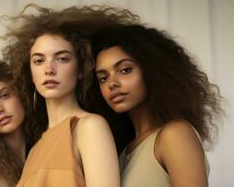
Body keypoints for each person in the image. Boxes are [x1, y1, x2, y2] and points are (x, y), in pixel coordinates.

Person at [2, 4, 136, 187]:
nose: (49, 69)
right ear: (31, 73)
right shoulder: (34, 149)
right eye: (39, 61)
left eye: (62, 58)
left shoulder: (89, 127)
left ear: (81, 69)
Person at [92, 24, 223, 187]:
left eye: (125, 70)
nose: (112, 83)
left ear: (151, 70)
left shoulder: (174, 134)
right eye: (103, 78)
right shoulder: (121, 152)